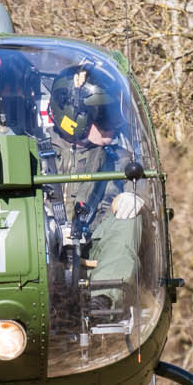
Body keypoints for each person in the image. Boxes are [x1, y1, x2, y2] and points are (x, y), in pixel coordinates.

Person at [41, 65, 144, 310]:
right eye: (105, 117)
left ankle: (102, 300)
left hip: (93, 242)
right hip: (41, 247)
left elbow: (146, 188)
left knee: (130, 220)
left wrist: (134, 196)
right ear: (73, 116)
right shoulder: (30, 154)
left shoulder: (119, 160)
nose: (115, 125)